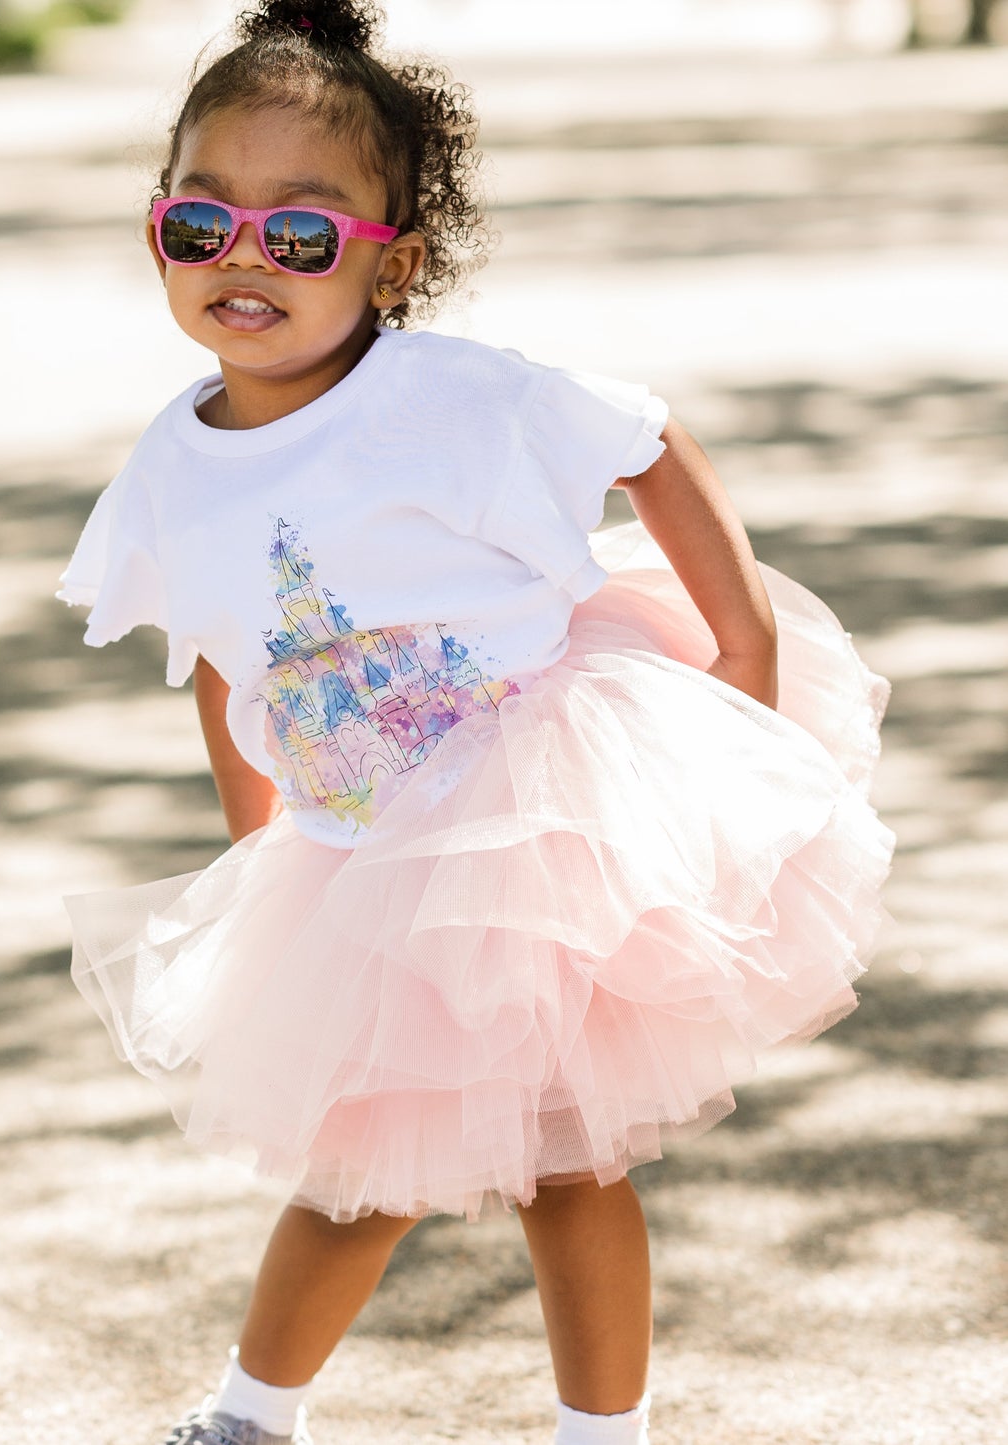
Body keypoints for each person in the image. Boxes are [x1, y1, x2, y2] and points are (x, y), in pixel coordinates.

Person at [55, 3, 895, 1443]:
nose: (245, 258)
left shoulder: (451, 399)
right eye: (201, 224)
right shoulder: (165, 463)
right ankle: (252, 1414)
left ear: (397, 258)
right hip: (361, 857)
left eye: (303, 234)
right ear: (158, 235)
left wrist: (740, 638)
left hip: (537, 822)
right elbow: (217, 649)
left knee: (569, 1161)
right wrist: (255, 837)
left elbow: (642, 439)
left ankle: (601, 1432)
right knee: (352, 1171)